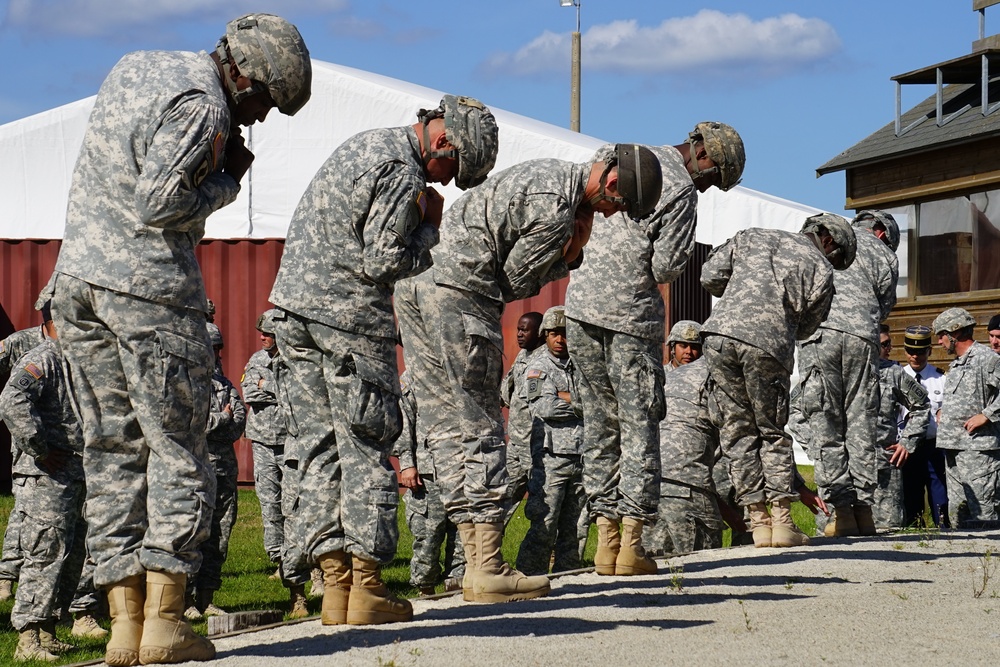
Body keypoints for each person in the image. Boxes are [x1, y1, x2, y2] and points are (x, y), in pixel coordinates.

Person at [44, 13, 311, 665]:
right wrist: (229, 177)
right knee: (176, 449)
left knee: (111, 452)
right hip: (148, 290)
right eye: (264, 101)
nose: (260, 118)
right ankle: (165, 621)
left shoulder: (136, 66)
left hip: (78, 282)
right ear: (243, 72)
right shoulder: (207, 108)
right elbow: (162, 202)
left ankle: (125, 627)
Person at [269, 94, 499, 626]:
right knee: (366, 448)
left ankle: (334, 589)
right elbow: (383, 260)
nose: (442, 183)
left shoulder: (364, 146)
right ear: (443, 141)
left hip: (294, 313)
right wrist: (430, 228)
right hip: (349, 322)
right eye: (450, 171)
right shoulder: (402, 172)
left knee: (317, 450)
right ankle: (367, 588)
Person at [396, 143, 662, 602]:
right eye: (615, 208)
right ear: (613, 185)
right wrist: (571, 254)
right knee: (479, 423)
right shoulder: (559, 210)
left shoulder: (548, 171)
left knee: (442, 425)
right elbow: (514, 282)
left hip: (416, 284)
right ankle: (487, 567)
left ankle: (472, 562)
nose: (609, 216)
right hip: (461, 292)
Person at [563, 124, 744, 577]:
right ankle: (631, 547)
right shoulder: (681, 192)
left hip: (580, 309)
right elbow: (666, 266)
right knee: (639, 427)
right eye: (712, 178)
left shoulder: (620, 152)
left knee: (600, 426)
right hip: (630, 321)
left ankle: (604, 545)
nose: (707, 187)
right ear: (703, 155)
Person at [700, 212, 856, 549]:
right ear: (828, 240)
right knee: (770, 431)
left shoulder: (752, 234)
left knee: (736, 431)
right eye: (836, 255)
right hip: (767, 346)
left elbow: (710, 276)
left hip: (717, 336)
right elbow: (808, 327)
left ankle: (757, 523)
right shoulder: (820, 267)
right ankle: (782, 523)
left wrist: (743, 296)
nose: (833, 260)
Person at [796, 210, 899, 537]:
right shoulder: (884, 253)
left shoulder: (826, 237)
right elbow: (884, 306)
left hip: (820, 332)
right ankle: (864, 512)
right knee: (861, 419)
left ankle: (841, 512)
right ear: (882, 232)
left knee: (826, 418)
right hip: (862, 336)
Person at [0, 304, 87, 662]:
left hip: (76, 473)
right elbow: (12, 401)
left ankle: (49, 629)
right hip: (45, 475)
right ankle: (28, 640)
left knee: (70, 554)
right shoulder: (41, 360)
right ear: (55, 322)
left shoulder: (75, 359)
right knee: (44, 552)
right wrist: (39, 448)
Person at [516, 307, 587, 575]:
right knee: (545, 523)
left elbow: (600, 400)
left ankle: (568, 580)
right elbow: (545, 407)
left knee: (577, 527)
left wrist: (566, 396)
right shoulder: (538, 367)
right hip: (551, 460)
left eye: (565, 334)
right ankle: (528, 576)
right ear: (546, 335)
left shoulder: (580, 366)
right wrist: (581, 403)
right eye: (555, 334)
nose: (560, 340)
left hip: (581, 456)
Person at [185, 324, 246, 620]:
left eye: (219, 347)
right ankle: (185, 600)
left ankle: (206, 598)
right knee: (193, 533)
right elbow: (191, 424)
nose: (216, 353)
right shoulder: (186, 384)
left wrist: (216, 423)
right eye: (211, 346)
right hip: (196, 470)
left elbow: (239, 426)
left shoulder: (226, 385)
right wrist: (222, 418)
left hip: (224, 473)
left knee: (220, 535)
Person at [394, 370, 465, 595]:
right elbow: (403, 422)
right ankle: (425, 590)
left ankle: (457, 587)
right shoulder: (414, 376)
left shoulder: (458, 369)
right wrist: (406, 463)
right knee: (428, 534)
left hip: (461, 465)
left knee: (462, 533)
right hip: (428, 471)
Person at [932, 307, 1000, 528]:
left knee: (983, 512)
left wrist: (987, 415)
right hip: (953, 448)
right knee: (958, 514)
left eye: (942, 335)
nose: (940, 342)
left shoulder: (986, 359)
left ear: (956, 332)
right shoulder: (957, 364)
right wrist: (944, 411)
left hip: (978, 453)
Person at [871, 325, 929, 529]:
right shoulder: (837, 371)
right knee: (841, 540)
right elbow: (798, 408)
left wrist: (907, 442)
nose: (889, 347)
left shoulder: (893, 373)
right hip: (844, 472)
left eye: (889, 343)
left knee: (890, 534)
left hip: (884, 470)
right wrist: (818, 447)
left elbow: (922, 406)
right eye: (884, 344)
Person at [899, 325, 949, 527]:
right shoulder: (898, 377)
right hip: (907, 448)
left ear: (929, 350)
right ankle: (914, 534)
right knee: (911, 497)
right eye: (911, 351)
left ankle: (944, 532)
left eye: (920, 352)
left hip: (933, 446)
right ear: (905, 351)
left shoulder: (941, 379)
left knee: (940, 497)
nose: (915, 356)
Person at [500, 312, 544, 525]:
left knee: (541, 501)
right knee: (504, 498)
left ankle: (550, 554)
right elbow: (508, 392)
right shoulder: (523, 355)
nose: (519, 334)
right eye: (518, 329)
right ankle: (487, 552)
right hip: (516, 443)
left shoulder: (545, 360)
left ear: (540, 332)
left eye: (525, 330)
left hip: (536, 446)